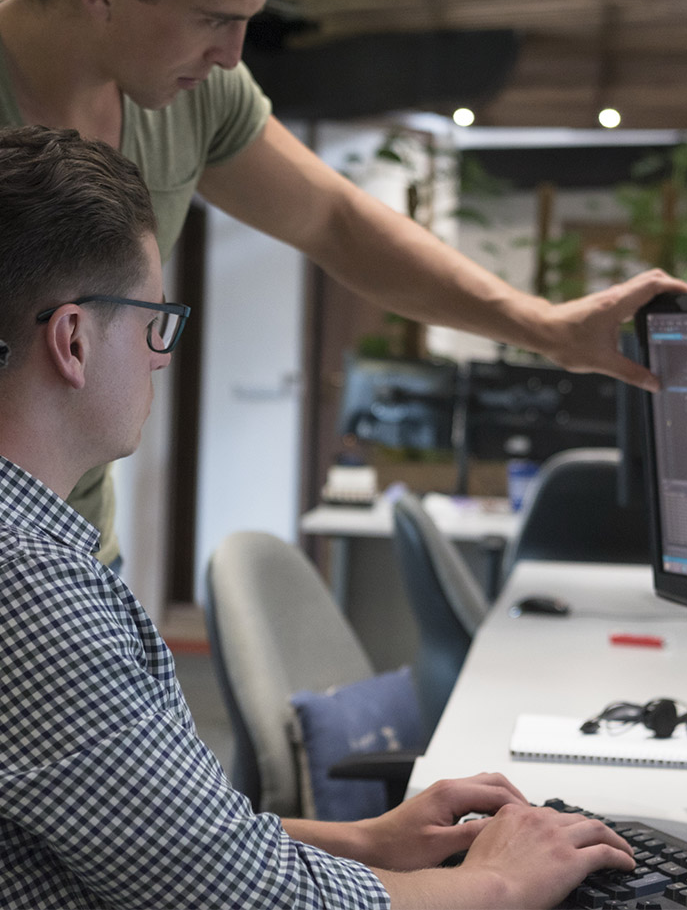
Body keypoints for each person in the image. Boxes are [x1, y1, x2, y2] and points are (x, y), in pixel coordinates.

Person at [0, 0, 687, 564]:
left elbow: (335, 222)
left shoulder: (196, 96)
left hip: (79, 557)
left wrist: (547, 327)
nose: (231, 55)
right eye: (214, 19)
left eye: (245, 24)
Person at [0, 124, 635, 909]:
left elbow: (161, 834)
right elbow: (253, 899)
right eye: (151, 323)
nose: (161, 356)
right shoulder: (27, 581)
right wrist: (500, 881)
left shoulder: (34, 556)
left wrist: (370, 838)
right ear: (73, 340)